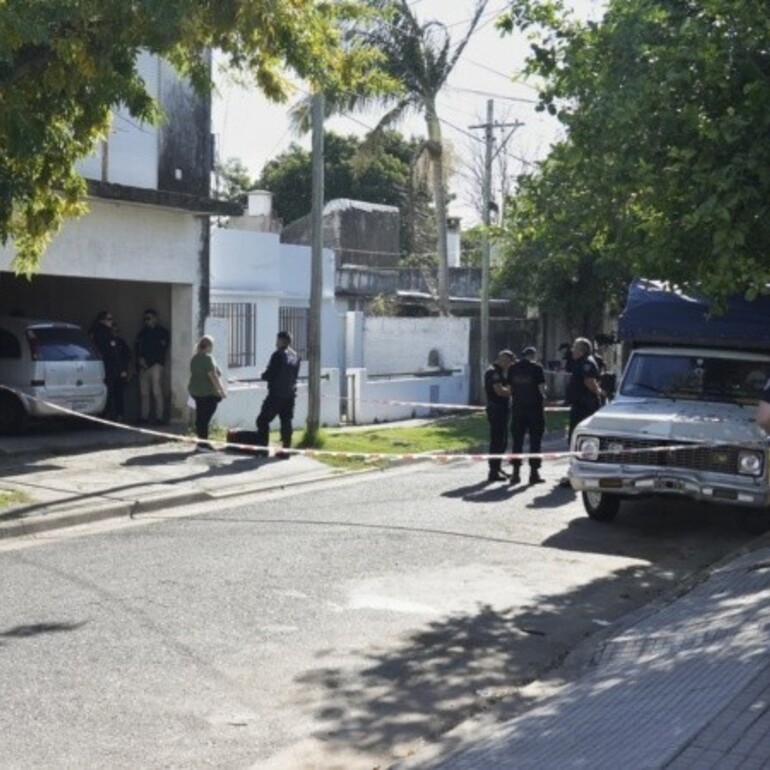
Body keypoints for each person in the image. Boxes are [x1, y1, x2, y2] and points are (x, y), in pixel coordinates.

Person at [559, 337, 604, 487]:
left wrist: (600, 393)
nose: (573, 350)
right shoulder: (580, 362)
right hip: (580, 406)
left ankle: (579, 474)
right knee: (574, 440)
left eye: (576, 348)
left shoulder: (587, 363)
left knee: (579, 440)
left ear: (582, 350)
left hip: (585, 408)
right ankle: (575, 472)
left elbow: (590, 383)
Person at [254, 331, 301, 458]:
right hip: (290, 394)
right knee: (286, 421)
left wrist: (263, 375)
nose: (276, 343)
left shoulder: (277, 355)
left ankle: (263, 449)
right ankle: (286, 450)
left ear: (282, 341)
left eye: (278, 340)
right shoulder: (295, 356)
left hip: (276, 394)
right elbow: (294, 375)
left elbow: (271, 374)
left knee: (262, 420)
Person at [508, 346, 547, 485]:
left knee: (517, 442)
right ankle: (534, 473)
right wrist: (544, 396)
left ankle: (515, 474)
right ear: (533, 355)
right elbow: (542, 388)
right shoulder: (537, 368)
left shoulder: (513, 368)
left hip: (518, 409)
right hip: (534, 409)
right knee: (535, 442)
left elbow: (510, 388)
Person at [188, 335, 226, 452]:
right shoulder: (208, 358)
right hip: (206, 392)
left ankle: (201, 441)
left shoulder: (194, 358)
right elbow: (213, 376)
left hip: (195, 391)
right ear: (209, 346)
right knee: (205, 418)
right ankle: (203, 443)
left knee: (201, 417)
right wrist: (221, 391)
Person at [484, 349, 515, 482]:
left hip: (502, 409)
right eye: (507, 363)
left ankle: (497, 468)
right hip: (497, 409)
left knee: (502, 441)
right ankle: (493, 471)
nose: (508, 365)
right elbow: (500, 391)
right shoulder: (494, 372)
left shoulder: (500, 371)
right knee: (497, 441)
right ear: (503, 360)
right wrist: (513, 390)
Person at [135, 308, 170, 424]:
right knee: (144, 393)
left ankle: (159, 418)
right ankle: (144, 417)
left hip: (156, 365)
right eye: (145, 319)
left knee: (156, 392)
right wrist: (140, 361)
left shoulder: (162, 332)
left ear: (155, 318)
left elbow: (161, 350)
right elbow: (137, 349)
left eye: (148, 318)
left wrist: (149, 362)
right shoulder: (142, 333)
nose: (146, 321)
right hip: (143, 367)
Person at [105, 324, 132, 421]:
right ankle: (107, 416)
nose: (115, 333)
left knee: (119, 395)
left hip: (120, 373)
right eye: (113, 331)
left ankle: (120, 415)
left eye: (117, 331)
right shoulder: (106, 342)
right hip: (109, 372)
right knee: (108, 394)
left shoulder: (121, 342)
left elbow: (128, 356)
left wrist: (125, 370)